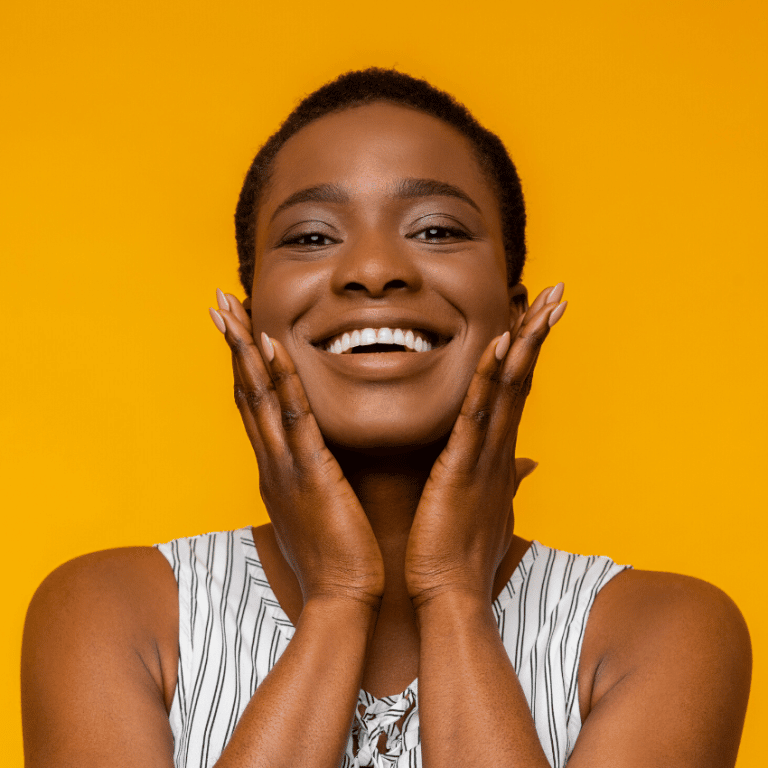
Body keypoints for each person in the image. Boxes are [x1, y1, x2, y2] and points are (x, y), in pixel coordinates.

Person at [21, 68, 751, 768]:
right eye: (311, 236)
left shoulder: (662, 633)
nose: (373, 269)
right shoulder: (113, 614)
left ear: (515, 313)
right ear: (250, 321)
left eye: (436, 230)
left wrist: (454, 595)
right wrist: (337, 600)